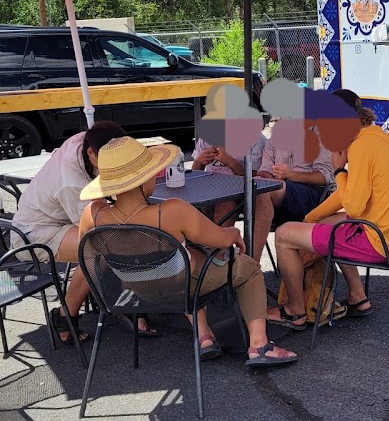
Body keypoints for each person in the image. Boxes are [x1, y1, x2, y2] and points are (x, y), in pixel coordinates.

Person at [77, 136, 297, 367]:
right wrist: (234, 234)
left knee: (182, 260)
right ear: (144, 180)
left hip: (134, 292)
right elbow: (221, 240)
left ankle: (204, 337)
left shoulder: (92, 215)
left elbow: (90, 259)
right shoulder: (172, 211)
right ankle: (260, 345)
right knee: (247, 268)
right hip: (182, 286)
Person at [267, 89, 389, 330]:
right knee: (325, 223)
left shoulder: (360, 148)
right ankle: (358, 296)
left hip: (378, 242)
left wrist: (339, 170)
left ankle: (294, 311)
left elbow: (354, 206)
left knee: (284, 234)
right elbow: (346, 196)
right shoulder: (373, 137)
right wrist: (311, 218)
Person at [10, 121, 156, 343]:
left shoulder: (85, 139)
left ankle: (120, 298)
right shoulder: (72, 184)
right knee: (101, 251)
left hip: (59, 219)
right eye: (109, 163)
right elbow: (96, 229)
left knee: (115, 243)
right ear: (90, 153)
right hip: (35, 234)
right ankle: (64, 316)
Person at [252, 128, 334, 262]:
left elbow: (326, 177)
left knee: (262, 190)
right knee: (255, 186)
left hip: (312, 195)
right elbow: (264, 170)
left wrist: (291, 175)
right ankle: (223, 255)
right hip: (281, 191)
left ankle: (252, 263)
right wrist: (266, 177)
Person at [191, 133, 269, 260]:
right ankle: (193, 255)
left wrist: (231, 163)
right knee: (181, 200)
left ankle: (219, 255)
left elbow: (257, 179)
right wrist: (200, 162)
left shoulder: (256, 140)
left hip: (239, 194)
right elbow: (195, 173)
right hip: (208, 192)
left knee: (226, 201)